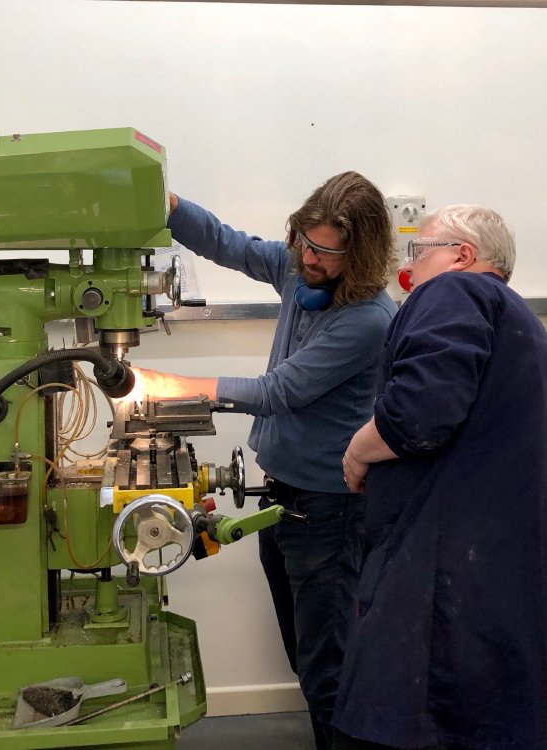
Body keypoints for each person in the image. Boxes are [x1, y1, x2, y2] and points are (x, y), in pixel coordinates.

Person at [134, 172, 398, 750]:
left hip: (330, 513)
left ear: (361, 254)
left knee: (330, 672)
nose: (308, 257)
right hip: (285, 499)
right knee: (308, 658)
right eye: (304, 240)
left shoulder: (367, 319)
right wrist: (170, 205)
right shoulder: (299, 267)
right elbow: (229, 243)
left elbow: (279, 391)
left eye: (326, 251)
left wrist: (171, 386)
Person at [334, 205, 547, 749]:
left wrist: (357, 451)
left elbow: (417, 418)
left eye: (418, 251)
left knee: (409, 720)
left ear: (463, 255)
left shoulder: (456, 292)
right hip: (492, 574)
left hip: (438, 573)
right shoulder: (521, 323)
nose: (408, 271)